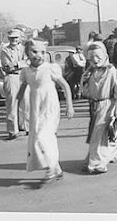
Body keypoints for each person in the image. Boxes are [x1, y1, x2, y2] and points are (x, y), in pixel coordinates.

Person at [17, 38, 74, 183]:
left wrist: (69, 106)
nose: (39, 55)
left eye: (42, 52)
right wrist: (15, 108)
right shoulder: (26, 71)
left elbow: (65, 86)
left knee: (44, 136)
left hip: (49, 106)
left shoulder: (50, 68)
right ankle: (56, 168)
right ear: (27, 53)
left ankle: (51, 168)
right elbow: (22, 89)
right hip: (35, 107)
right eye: (34, 52)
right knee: (39, 137)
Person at [80, 42, 117, 174]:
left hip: (107, 105)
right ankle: (111, 152)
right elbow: (84, 91)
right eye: (91, 58)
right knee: (100, 133)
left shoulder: (112, 72)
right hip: (94, 105)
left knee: (98, 135)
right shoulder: (89, 73)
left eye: (98, 57)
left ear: (105, 56)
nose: (95, 61)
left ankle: (96, 163)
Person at [0, 26, 28, 140]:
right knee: (12, 104)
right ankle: (12, 130)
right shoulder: (4, 50)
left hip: (24, 76)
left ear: (20, 38)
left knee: (26, 103)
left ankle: (26, 127)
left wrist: (16, 65)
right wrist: (19, 64)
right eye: (11, 38)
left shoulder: (25, 49)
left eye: (16, 38)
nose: (14, 40)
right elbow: (7, 66)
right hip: (11, 77)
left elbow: (28, 61)